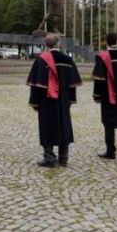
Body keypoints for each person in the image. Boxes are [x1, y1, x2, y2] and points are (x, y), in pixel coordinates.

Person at [26, 33, 83, 167]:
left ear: (46, 45)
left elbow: (36, 85)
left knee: (47, 126)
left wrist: (34, 102)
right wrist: (70, 101)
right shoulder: (68, 60)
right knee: (64, 125)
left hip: (46, 101)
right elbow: (72, 85)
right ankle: (63, 158)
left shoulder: (41, 60)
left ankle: (49, 158)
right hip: (63, 101)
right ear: (58, 44)